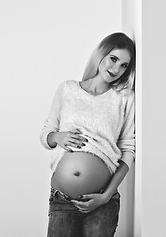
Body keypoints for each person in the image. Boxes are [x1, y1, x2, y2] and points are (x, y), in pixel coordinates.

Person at [40, 32, 136, 237]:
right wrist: (58, 137)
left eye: (124, 65)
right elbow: (46, 133)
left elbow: (128, 150)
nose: (116, 69)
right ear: (102, 53)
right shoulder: (68, 89)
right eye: (113, 59)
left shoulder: (124, 98)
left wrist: (107, 195)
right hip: (62, 200)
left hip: (102, 202)